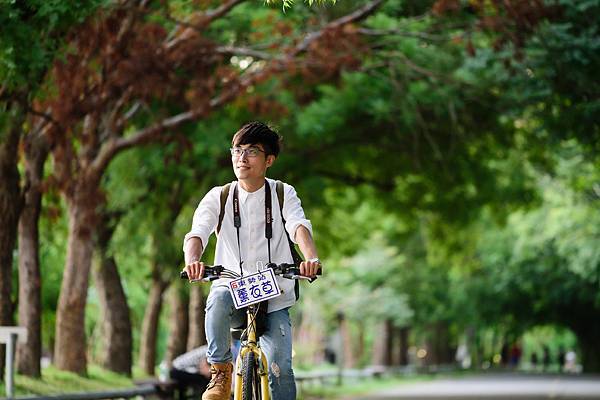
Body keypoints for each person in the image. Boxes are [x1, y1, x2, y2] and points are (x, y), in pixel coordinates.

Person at [182, 122, 321, 400]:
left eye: (252, 151)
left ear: (269, 160)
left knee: (281, 368)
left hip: (275, 294)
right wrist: (193, 262)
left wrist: (311, 258)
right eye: (237, 150)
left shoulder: (283, 193)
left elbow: (298, 226)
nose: (242, 158)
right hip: (231, 287)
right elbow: (197, 233)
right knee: (217, 300)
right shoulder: (219, 196)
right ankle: (220, 373)